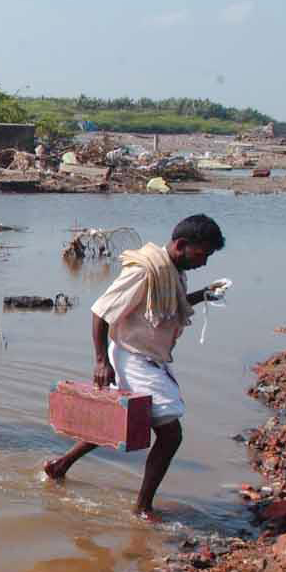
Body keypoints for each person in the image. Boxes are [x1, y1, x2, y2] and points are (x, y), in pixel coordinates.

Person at [43, 214, 228, 520]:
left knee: (118, 419)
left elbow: (167, 306)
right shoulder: (145, 272)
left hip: (148, 357)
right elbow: (101, 312)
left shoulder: (173, 271)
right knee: (170, 436)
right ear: (181, 245)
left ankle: (59, 465)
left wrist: (203, 294)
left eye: (207, 257)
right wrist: (101, 361)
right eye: (200, 255)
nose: (203, 263)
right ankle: (142, 507)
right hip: (133, 357)